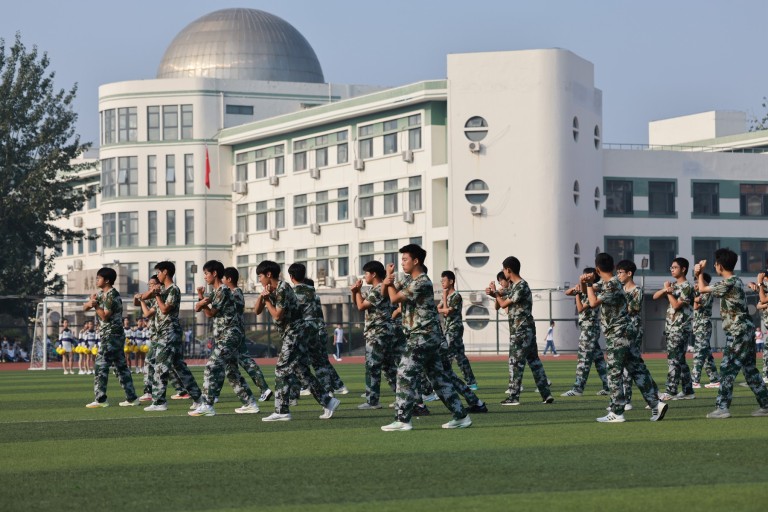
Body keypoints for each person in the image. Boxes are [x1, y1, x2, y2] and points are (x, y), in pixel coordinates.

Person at [381, 244, 472, 431]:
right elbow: (385, 294)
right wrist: (387, 280)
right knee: (438, 379)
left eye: (405, 259)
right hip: (425, 336)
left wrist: (389, 283)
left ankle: (402, 419)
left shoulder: (422, 282)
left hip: (423, 335)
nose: (402, 263)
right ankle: (461, 416)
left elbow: (394, 299)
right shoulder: (408, 280)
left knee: (404, 373)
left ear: (416, 261)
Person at [581, 253, 667, 423]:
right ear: (613, 267)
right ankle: (656, 404)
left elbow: (592, 303)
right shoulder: (610, 283)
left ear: (597, 269)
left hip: (618, 334)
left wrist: (589, 283)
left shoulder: (611, 284)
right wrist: (585, 283)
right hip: (626, 333)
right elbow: (588, 293)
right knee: (637, 370)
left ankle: (617, 411)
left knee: (614, 373)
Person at [255, 260, 340, 422]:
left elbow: (277, 315)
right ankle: (328, 401)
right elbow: (256, 311)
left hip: (295, 333)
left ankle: (281, 410)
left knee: (281, 368)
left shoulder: (283, 288)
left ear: (268, 274)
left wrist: (267, 300)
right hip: (292, 334)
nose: (259, 279)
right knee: (301, 371)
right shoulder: (271, 290)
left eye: (260, 276)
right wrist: (262, 296)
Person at [696, 250, 768, 418]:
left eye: (716, 263)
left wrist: (699, 273)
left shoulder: (729, 282)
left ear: (720, 266)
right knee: (749, 370)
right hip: (744, 330)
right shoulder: (734, 281)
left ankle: (722, 407)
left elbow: (702, 289)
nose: (715, 266)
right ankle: (766, 404)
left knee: (727, 368)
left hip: (738, 332)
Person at [190, 260, 258, 417]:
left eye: (206, 273)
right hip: (225, 336)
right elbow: (205, 310)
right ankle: (250, 403)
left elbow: (209, 312)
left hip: (230, 335)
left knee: (211, 366)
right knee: (231, 371)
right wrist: (201, 299)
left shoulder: (223, 291)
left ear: (214, 273)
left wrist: (201, 302)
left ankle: (207, 404)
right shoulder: (216, 292)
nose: (205, 277)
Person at [486, 256, 553, 406]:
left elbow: (504, 304)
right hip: (526, 329)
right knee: (534, 362)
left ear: (508, 270)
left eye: (504, 269)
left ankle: (513, 396)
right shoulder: (514, 286)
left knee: (515, 362)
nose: (503, 272)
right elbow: (499, 302)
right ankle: (546, 394)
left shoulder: (521, 286)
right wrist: (494, 293)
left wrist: (496, 294)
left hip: (521, 330)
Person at [142, 261, 203, 412]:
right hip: (163, 333)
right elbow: (142, 297)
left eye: (159, 272)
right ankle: (198, 398)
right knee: (179, 367)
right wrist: (153, 292)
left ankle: (159, 402)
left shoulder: (173, 290)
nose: (157, 275)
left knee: (160, 366)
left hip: (169, 332)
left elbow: (164, 309)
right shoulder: (162, 290)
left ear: (166, 272)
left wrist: (157, 295)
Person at [82, 267, 138, 408]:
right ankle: (132, 398)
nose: (96, 280)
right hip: (113, 335)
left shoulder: (112, 295)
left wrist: (95, 306)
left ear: (107, 280)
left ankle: (100, 399)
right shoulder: (102, 294)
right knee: (121, 368)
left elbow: (105, 316)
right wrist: (91, 302)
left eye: (98, 278)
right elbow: (85, 308)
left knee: (100, 365)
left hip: (111, 335)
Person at [352, 260, 402, 410]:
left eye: (366, 273)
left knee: (372, 367)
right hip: (384, 333)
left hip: (377, 334)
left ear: (373, 274)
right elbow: (360, 303)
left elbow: (361, 306)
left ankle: (372, 401)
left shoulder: (379, 288)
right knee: (389, 368)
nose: (364, 276)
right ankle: (402, 398)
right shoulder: (376, 289)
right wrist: (356, 292)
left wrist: (356, 291)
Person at [223, 266, 273, 403]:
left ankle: (210, 396)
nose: (221, 281)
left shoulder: (234, 293)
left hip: (233, 333)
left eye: (223, 278)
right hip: (237, 332)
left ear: (229, 279)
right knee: (243, 362)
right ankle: (264, 389)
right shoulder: (236, 292)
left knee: (222, 364)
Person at [652, 257, 695, 401]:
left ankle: (671, 391)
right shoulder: (673, 286)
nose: (672, 269)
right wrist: (666, 289)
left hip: (680, 327)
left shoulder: (687, 287)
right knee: (680, 361)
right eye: (671, 267)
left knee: (673, 360)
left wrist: (669, 293)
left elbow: (676, 305)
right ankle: (688, 391)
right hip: (672, 327)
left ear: (683, 269)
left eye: (675, 267)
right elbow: (655, 296)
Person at [562, 268, 610, 397]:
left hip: (589, 329)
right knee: (599, 360)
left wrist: (577, 294)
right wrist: (577, 288)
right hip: (588, 329)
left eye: (587, 276)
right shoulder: (586, 290)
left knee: (583, 359)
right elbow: (567, 292)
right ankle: (608, 386)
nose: (585, 278)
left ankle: (578, 388)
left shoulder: (593, 293)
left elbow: (580, 308)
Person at [437, 270, 479, 388]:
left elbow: (447, 312)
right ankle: (472, 382)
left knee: (447, 354)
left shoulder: (456, 296)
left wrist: (444, 299)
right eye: (441, 281)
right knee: (460, 357)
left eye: (444, 280)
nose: (442, 283)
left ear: (451, 281)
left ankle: (444, 382)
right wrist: (443, 304)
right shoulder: (445, 296)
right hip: (448, 328)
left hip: (454, 328)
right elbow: (438, 309)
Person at [691, 273, 721, 389]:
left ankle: (695, 381)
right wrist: (695, 295)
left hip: (703, 326)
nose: (696, 284)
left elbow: (696, 306)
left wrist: (695, 297)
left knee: (698, 354)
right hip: (699, 326)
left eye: (698, 281)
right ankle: (715, 379)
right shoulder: (700, 293)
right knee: (707, 356)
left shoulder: (707, 292)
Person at [749, 271, 768, 383]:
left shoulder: (763, 287)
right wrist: (753, 284)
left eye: (765, 279)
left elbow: (763, 300)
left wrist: (760, 283)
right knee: (766, 353)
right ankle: (766, 375)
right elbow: (758, 305)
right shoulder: (764, 290)